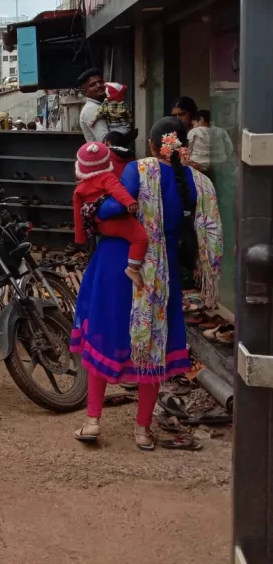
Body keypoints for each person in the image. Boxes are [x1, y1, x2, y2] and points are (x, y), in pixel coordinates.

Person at [71, 117, 222, 448]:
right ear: (183, 145)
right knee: (154, 347)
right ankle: (142, 431)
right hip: (160, 274)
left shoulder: (139, 171)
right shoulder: (198, 182)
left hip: (118, 263)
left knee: (102, 334)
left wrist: (89, 206)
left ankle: (93, 421)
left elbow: (110, 208)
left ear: (153, 144)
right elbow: (208, 231)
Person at [73, 142, 147, 286]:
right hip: (117, 222)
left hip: (100, 226)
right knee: (141, 239)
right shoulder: (107, 178)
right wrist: (129, 202)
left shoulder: (79, 188)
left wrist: (80, 238)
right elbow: (117, 190)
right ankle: (133, 269)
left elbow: (77, 215)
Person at [78, 68, 108, 142]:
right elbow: (106, 141)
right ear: (86, 92)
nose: (99, 86)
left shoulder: (102, 105)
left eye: (100, 82)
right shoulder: (92, 108)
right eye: (93, 85)